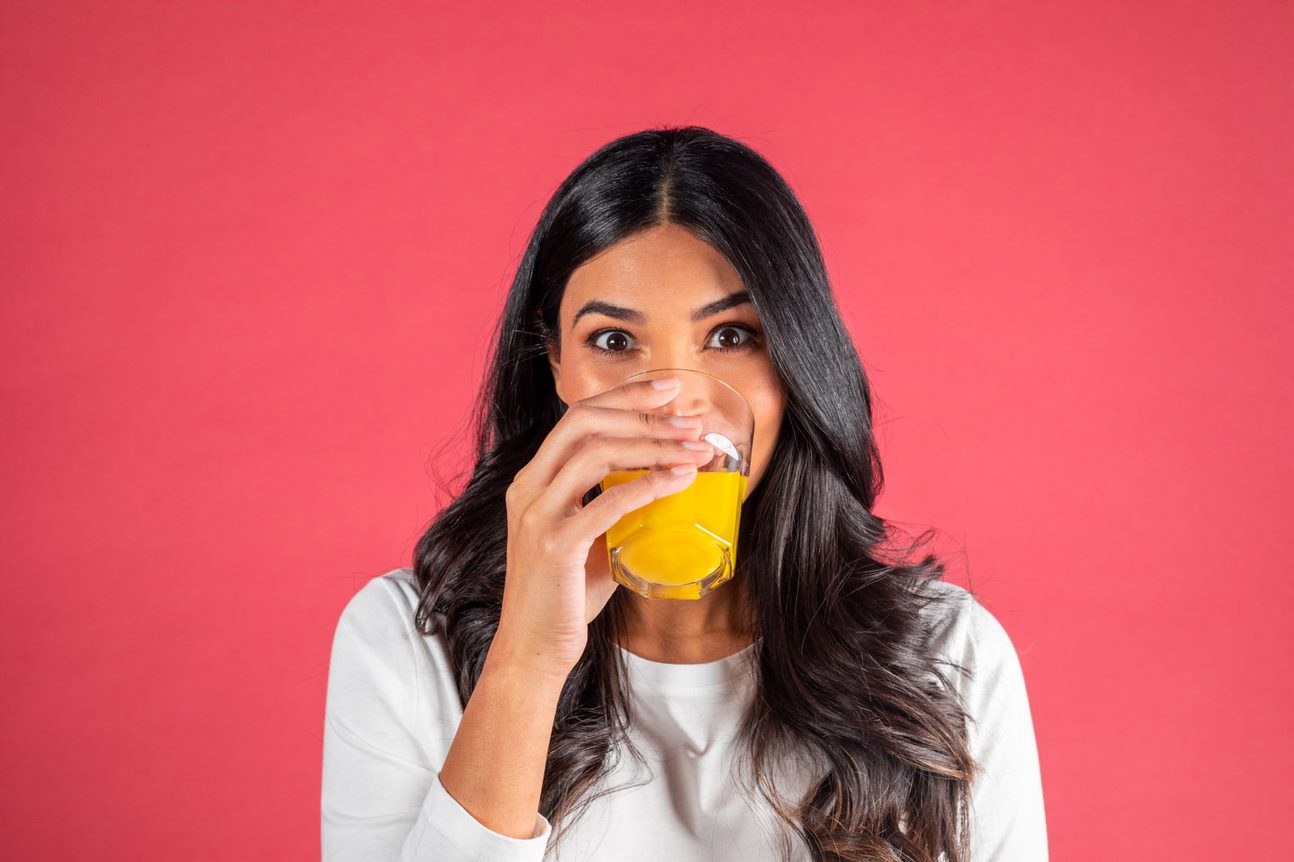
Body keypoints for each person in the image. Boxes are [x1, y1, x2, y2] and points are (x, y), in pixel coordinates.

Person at [321, 126, 1048, 861]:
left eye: (731, 337)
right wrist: (527, 660)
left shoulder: (945, 659)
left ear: (794, 363)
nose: (674, 407)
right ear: (556, 366)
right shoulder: (405, 647)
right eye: (613, 342)